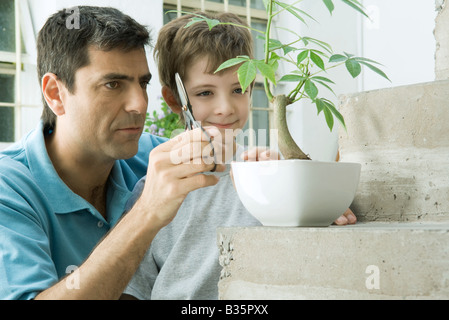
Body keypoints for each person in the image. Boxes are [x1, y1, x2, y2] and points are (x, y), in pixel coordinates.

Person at [122, 12, 356, 300]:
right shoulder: (151, 192)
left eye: (238, 89)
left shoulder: (272, 174)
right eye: (205, 93)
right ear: (175, 100)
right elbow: (133, 291)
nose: (226, 108)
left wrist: (317, 207)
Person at [0, 6, 224, 300]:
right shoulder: (9, 189)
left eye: (142, 83)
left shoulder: (159, 160)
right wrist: (146, 213)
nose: (139, 104)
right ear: (55, 93)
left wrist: (255, 163)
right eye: (112, 84)